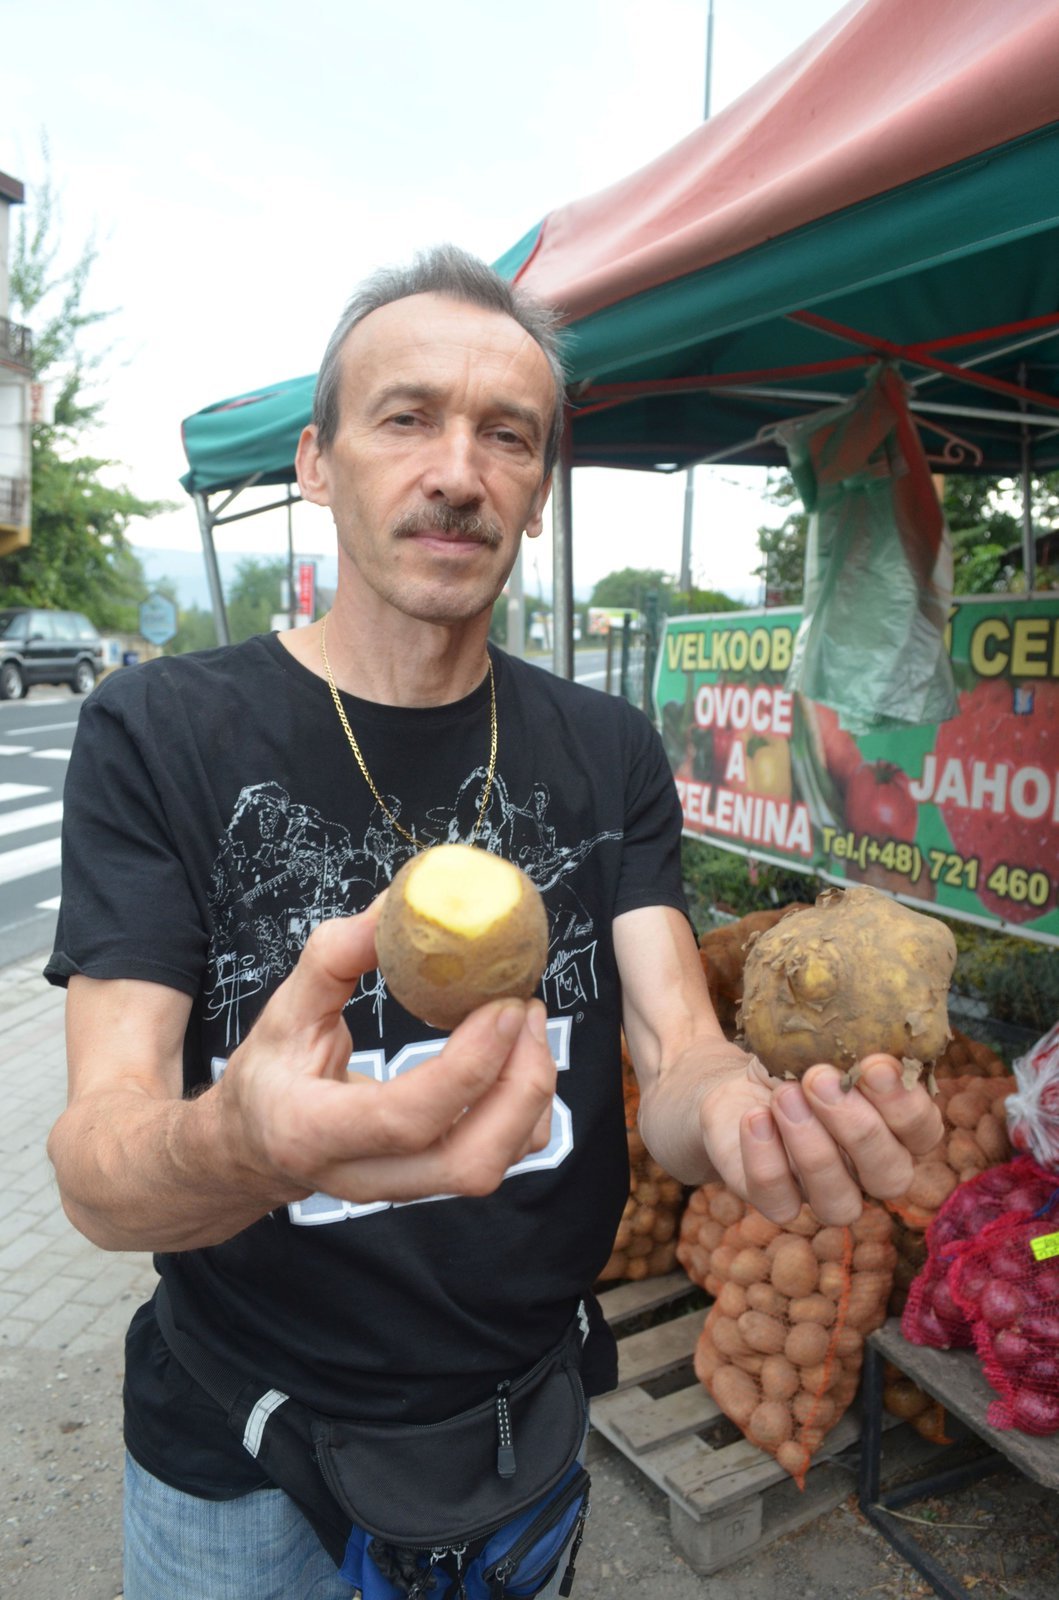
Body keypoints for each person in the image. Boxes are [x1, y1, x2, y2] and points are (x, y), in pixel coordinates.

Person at [45, 245, 942, 1600]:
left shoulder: (605, 748)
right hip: (243, 1446)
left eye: (506, 435)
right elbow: (98, 1169)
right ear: (316, 462)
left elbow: (677, 1049)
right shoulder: (159, 733)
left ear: (537, 488)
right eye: (406, 417)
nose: (457, 469)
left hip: (522, 1423)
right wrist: (240, 1142)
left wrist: (754, 1122)